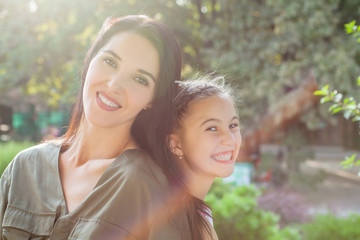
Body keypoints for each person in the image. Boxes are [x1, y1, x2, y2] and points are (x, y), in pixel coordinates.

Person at [0, 15, 182, 239]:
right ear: (90, 61)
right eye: (110, 62)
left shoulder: (150, 187)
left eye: (139, 79)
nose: (114, 85)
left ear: (153, 99)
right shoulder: (24, 167)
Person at [143, 76, 242, 239]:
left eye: (233, 125)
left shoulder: (190, 213)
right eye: (212, 128)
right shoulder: (176, 221)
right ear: (176, 144)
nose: (230, 139)